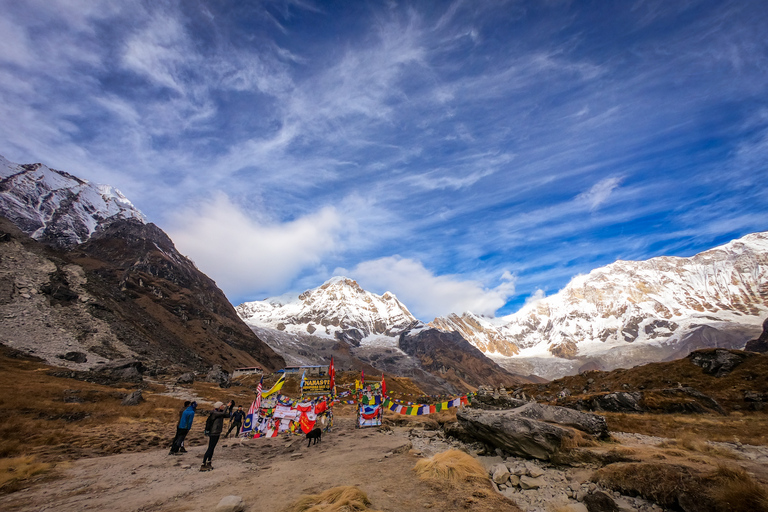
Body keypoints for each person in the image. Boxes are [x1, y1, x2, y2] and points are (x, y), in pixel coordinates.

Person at [200, 401, 229, 471]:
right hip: (213, 432)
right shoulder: (214, 413)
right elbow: (223, 413)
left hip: (217, 432)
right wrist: (227, 406)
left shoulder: (219, 413)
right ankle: (203, 463)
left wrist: (230, 408)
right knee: (210, 448)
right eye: (222, 405)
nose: (223, 406)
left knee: (212, 448)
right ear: (218, 406)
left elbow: (228, 415)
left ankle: (209, 462)